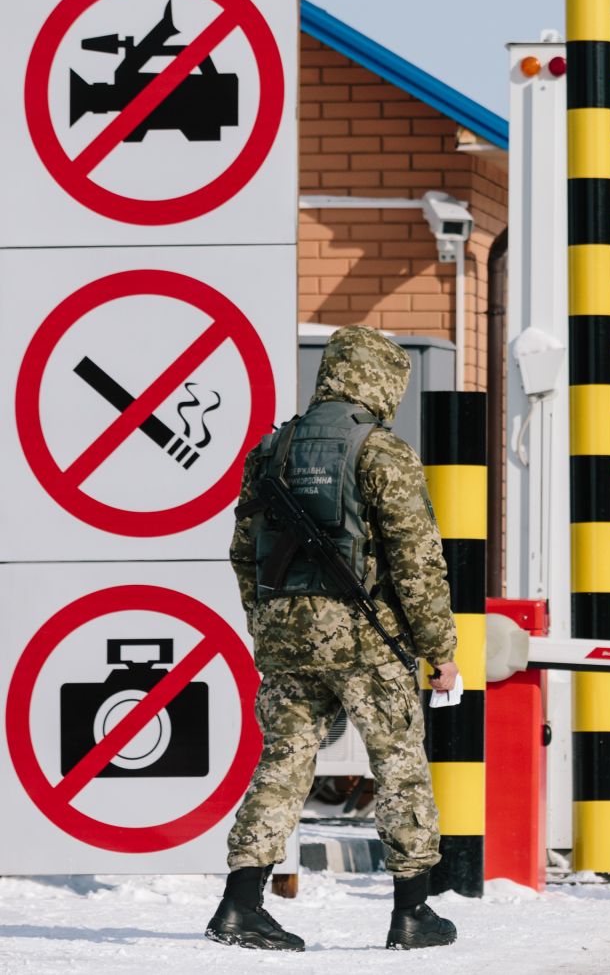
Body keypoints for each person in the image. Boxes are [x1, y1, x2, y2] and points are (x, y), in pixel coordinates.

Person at [206, 325, 460, 951]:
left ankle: (240, 905)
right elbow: (416, 560)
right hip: (366, 642)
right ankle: (412, 913)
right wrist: (439, 650)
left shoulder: (272, 449)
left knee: (284, 761)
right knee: (398, 764)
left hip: (285, 636)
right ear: (382, 381)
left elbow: (243, 553)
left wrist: (267, 623)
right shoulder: (380, 451)